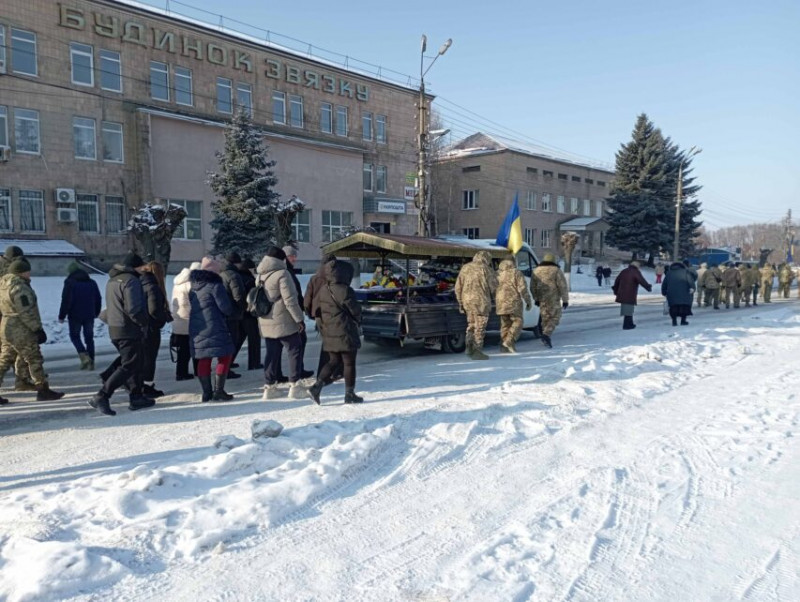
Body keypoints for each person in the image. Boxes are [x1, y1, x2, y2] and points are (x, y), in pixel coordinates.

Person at [92, 253, 154, 416]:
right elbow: (133, 308)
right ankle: (102, 395)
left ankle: (136, 396)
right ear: (136, 267)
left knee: (135, 362)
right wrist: (144, 322)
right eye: (141, 266)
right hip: (129, 328)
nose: (143, 269)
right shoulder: (131, 281)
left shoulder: (113, 280)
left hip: (115, 326)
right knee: (130, 364)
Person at [0, 258, 64, 405]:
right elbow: (26, 311)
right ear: (21, 272)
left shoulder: (3, 285)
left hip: (5, 326)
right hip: (20, 328)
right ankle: (43, 389)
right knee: (34, 358)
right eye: (28, 271)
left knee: (4, 360)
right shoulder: (19, 288)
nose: (30, 275)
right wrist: (37, 329)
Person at [307, 260, 363, 404]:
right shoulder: (345, 290)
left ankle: (316, 387)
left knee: (333, 361)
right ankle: (349, 394)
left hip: (329, 331)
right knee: (349, 363)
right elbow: (355, 310)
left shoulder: (325, 289)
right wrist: (358, 319)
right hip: (346, 331)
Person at [257, 246, 308, 400]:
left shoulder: (260, 275)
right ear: (282, 259)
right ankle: (295, 385)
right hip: (283, 319)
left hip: (266, 319)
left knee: (271, 352)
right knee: (294, 349)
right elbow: (290, 300)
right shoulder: (282, 274)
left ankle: (269, 387)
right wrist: (299, 319)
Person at [189, 257, 236, 402]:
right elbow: (225, 308)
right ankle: (219, 391)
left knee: (204, 358)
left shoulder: (194, 286)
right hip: (215, 325)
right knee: (225, 355)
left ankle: (206, 393)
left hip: (197, 326)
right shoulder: (215, 285)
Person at [0, 245, 34, 391]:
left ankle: (22, 379)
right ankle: (22, 379)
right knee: (13, 352)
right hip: (11, 314)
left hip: (8, 315)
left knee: (14, 352)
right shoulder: (11, 272)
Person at [58, 261, 102, 370]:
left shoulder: (69, 282)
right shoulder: (92, 282)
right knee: (89, 338)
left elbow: (66, 300)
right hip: (89, 315)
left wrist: (62, 315)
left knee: (75, 336)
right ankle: (91, 362)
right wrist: (96, 312)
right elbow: (98, 298)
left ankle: (84, 356)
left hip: (75, 315)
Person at [454, 250, 498, 360]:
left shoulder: (465, 268)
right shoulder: (486, 269)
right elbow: (494, 287)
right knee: (480, 327)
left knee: (471, 325)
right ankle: (477, 351)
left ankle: (469, 348)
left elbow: (458, 287)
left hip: (467, 302)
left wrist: (460, 302)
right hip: (481, 302)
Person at [304, 254, 341, 383]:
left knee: (327, 342)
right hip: (331, 313)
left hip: (319, 314)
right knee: (333, 343)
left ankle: (330, 371)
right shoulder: (335, 277)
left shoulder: (314, 278)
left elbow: (307, 298)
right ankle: (328, 373)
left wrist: (310, 312)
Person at [139, 261, 172, 397]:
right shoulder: (153, 287)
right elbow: (154, 310)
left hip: (140, 326)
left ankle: (140, 384)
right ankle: (147, 386)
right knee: (150, 358)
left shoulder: (139, 284)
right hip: (151, 327)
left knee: (143, 357)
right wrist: (163, 317)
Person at [170, 261, 201, 381]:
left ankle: (181, 372)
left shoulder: (178, 283)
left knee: (183, 349)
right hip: (188, 320)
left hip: (178, 320)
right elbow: (195, 303)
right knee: (193, 348)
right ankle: (197, 371)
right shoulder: (190, 285)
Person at [530, 253, 569, 348]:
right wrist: (565, 300)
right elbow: (562, 286)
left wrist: (536, 298)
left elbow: (532, 286)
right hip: (553, 298)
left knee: (545, 318)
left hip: (542, 298)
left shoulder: (536, 270)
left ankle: (545, 335)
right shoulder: (556, 270)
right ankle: (546, 335)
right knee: (555, 317)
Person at [495, 258, 533, 353]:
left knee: (505, 325)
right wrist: (528, 301)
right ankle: (508, 341)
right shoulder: (516, 272)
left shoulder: (497, 274)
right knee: (518, 321)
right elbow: (522, 288)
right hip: (513, 302)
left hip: (500, 303)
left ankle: (504, 347)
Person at [219, 253, 247, 379]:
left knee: (226, 342)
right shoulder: (234, 275)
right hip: (233, 313)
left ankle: (225, 366)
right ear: (237, 263)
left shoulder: (221, 274)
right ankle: (226, 369)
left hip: (223, 313)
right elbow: (238, 295)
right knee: (233, 341)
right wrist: (243, 307)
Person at [237, 257, 263, 370]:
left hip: (239, 313)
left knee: (239, 338)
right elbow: (253, 296)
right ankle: (254, 363)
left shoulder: (237, 277)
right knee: (254, 338)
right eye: (253, 268)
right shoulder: (249, 280)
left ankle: (230, 361)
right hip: (248, 313)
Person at [612, 260, 652, 330]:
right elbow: (641, 280)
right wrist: (648, 287)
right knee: (628, 308)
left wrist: (615, 290)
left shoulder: (624, 271)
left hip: (622, 292)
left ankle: (629, 323)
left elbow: (617, 281)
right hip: (630, 292)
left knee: (628, 308)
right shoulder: (635, 272)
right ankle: (627, 325)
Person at [661, 261, 695, 326]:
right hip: (684, 294)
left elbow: (664, 284)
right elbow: (691, 281)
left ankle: (674, 321)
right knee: (684, 307)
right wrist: (692, 288)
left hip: (672, 294)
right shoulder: (686, 272)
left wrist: (664, 291)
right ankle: (683, 321)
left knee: (673, 307)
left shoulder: (669, 273)